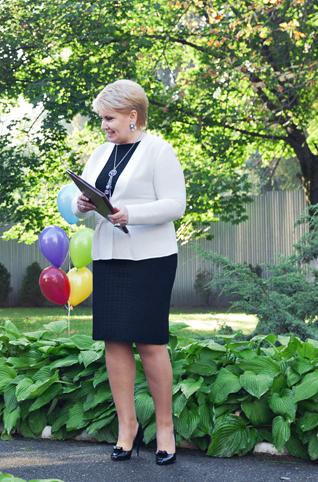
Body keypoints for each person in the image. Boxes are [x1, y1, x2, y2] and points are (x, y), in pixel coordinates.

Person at [71, 79, 186, 466]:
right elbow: (79, 200)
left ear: (133, 116)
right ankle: (127, 427)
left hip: (150, 258)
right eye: (102, 118)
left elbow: (176, 205)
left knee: (150, 342)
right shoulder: (101, 152)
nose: (103, 125)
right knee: (114, 341)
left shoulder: (159, 150)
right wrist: (82, 203)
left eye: (109, 117)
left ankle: (166, 429)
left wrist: (131, 214)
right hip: (109, 255)